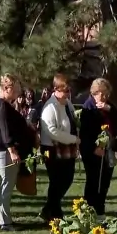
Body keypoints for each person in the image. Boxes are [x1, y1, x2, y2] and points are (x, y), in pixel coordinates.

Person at [0, 74, 34, 231]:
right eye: (15, 90)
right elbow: (5, 130)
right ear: (6, 88)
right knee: (6, 184)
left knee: (6, 183)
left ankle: (4, 218)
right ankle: (4, 222)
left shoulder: (3, 104)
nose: (17, 93)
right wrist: (12, 150)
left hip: (4, 148)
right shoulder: (1, 106)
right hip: (4, 149)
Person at [39, 74, 79, 221]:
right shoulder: (50, 107)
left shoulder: (67, 103)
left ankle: (48, 209)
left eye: (69, 90)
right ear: (55, 89)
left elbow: (73, 120)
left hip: (67, 149)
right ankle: (55, 215)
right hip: (51, 149)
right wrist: (73, 138)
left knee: (67, 179)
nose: (67, 93)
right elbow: (52, 131)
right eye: (64, 90)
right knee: (56, 182)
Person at [79, 78, 117, 216]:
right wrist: (94, 147)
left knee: (105, 182)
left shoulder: (109, 106)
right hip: (93, 151)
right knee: (93, 182)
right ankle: (89, 211)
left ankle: (100, 209)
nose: (102, 97)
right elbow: (85, 132)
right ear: (93, 93)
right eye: (99, 93)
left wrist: (109, 109)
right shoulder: (88, 107)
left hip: (108, 149)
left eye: (105, 93)